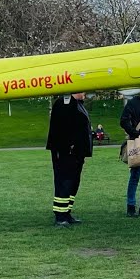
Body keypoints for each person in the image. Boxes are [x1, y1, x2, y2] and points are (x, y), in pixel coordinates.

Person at [46, 92, 93, 227]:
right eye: (82, 90)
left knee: (73, 182)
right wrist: (68, 146)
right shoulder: (64, 104)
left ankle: (66, 212)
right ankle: (60, 215)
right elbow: (63, 128)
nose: (85, 93)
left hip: (77, 152)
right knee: (64, 181)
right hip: (67, 152)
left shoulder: (78, 105)